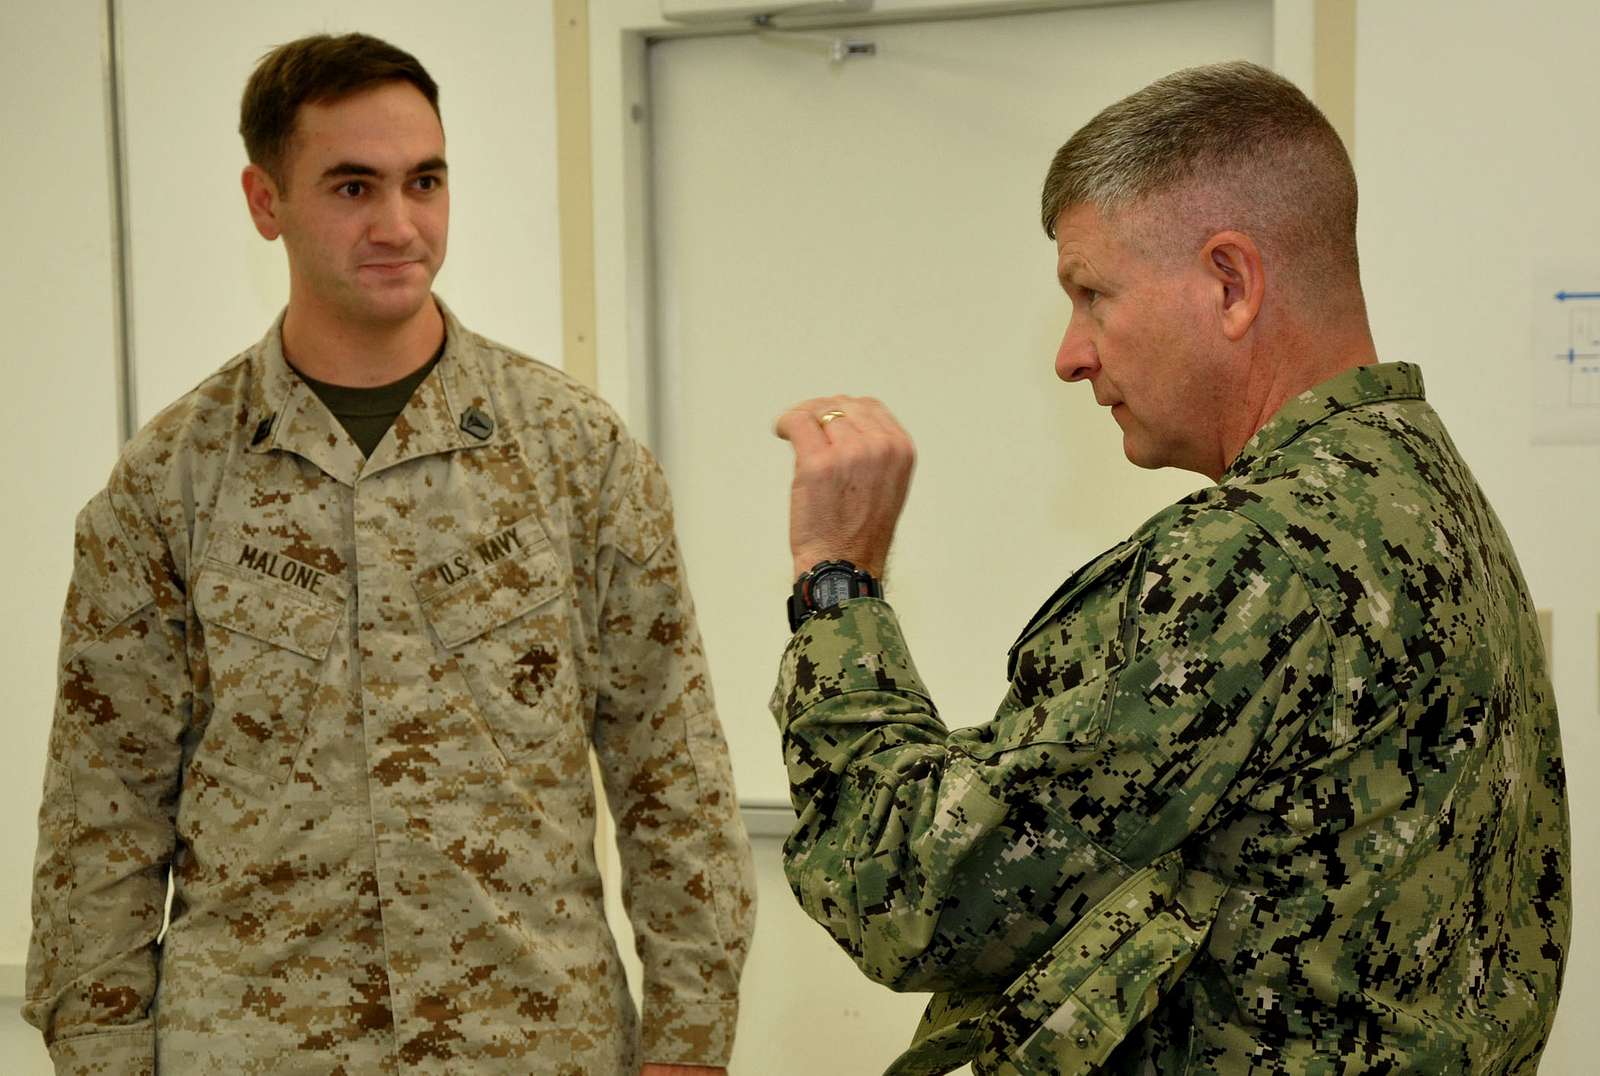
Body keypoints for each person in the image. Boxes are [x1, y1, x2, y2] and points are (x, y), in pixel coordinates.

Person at [770, 61, 1570, 1074]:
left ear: (1230, 284)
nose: (1069, 354)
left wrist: (835, 583)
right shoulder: (1417, 485)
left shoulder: (1252, 560)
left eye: (1092, 294)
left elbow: (907, 887)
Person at [25, 32, 754, 1076]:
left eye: (426, 181)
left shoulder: (572, 452)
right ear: (264, 200)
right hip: (254, 1047)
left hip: (533, 1041)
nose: (399, 225)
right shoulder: (172, 478)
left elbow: (669, 767)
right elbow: (102, 815)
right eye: (353, 186)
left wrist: (691, 1041)